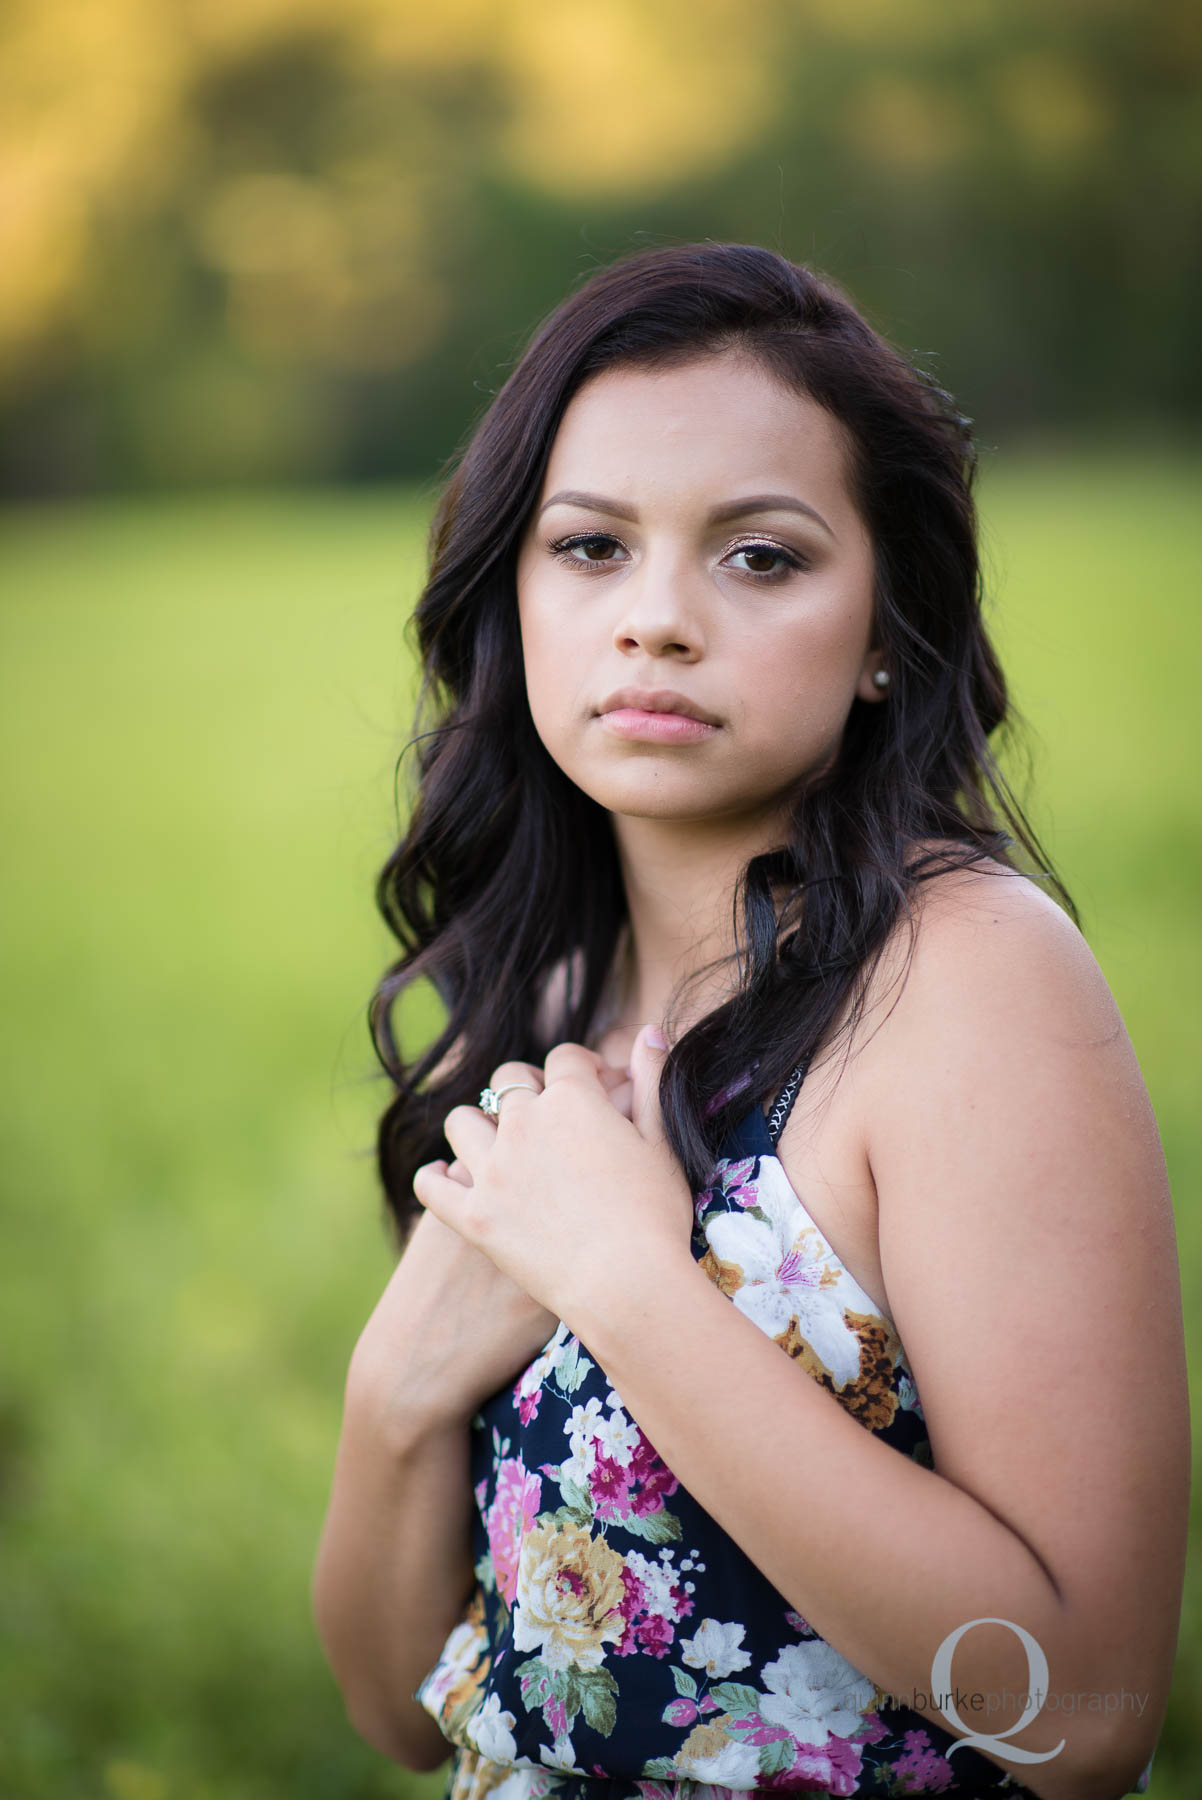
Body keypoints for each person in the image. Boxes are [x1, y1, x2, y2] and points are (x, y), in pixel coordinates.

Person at [310, 242, 1189, 1800]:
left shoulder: (962, 979)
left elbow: (1088, 1719)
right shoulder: (543, 999)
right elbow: (401, 1710)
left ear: (884, 637)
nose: (654, 618)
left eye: (760, 557)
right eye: (589, 547)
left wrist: (625, 1285)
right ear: (511, 589)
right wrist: (395, 1390)